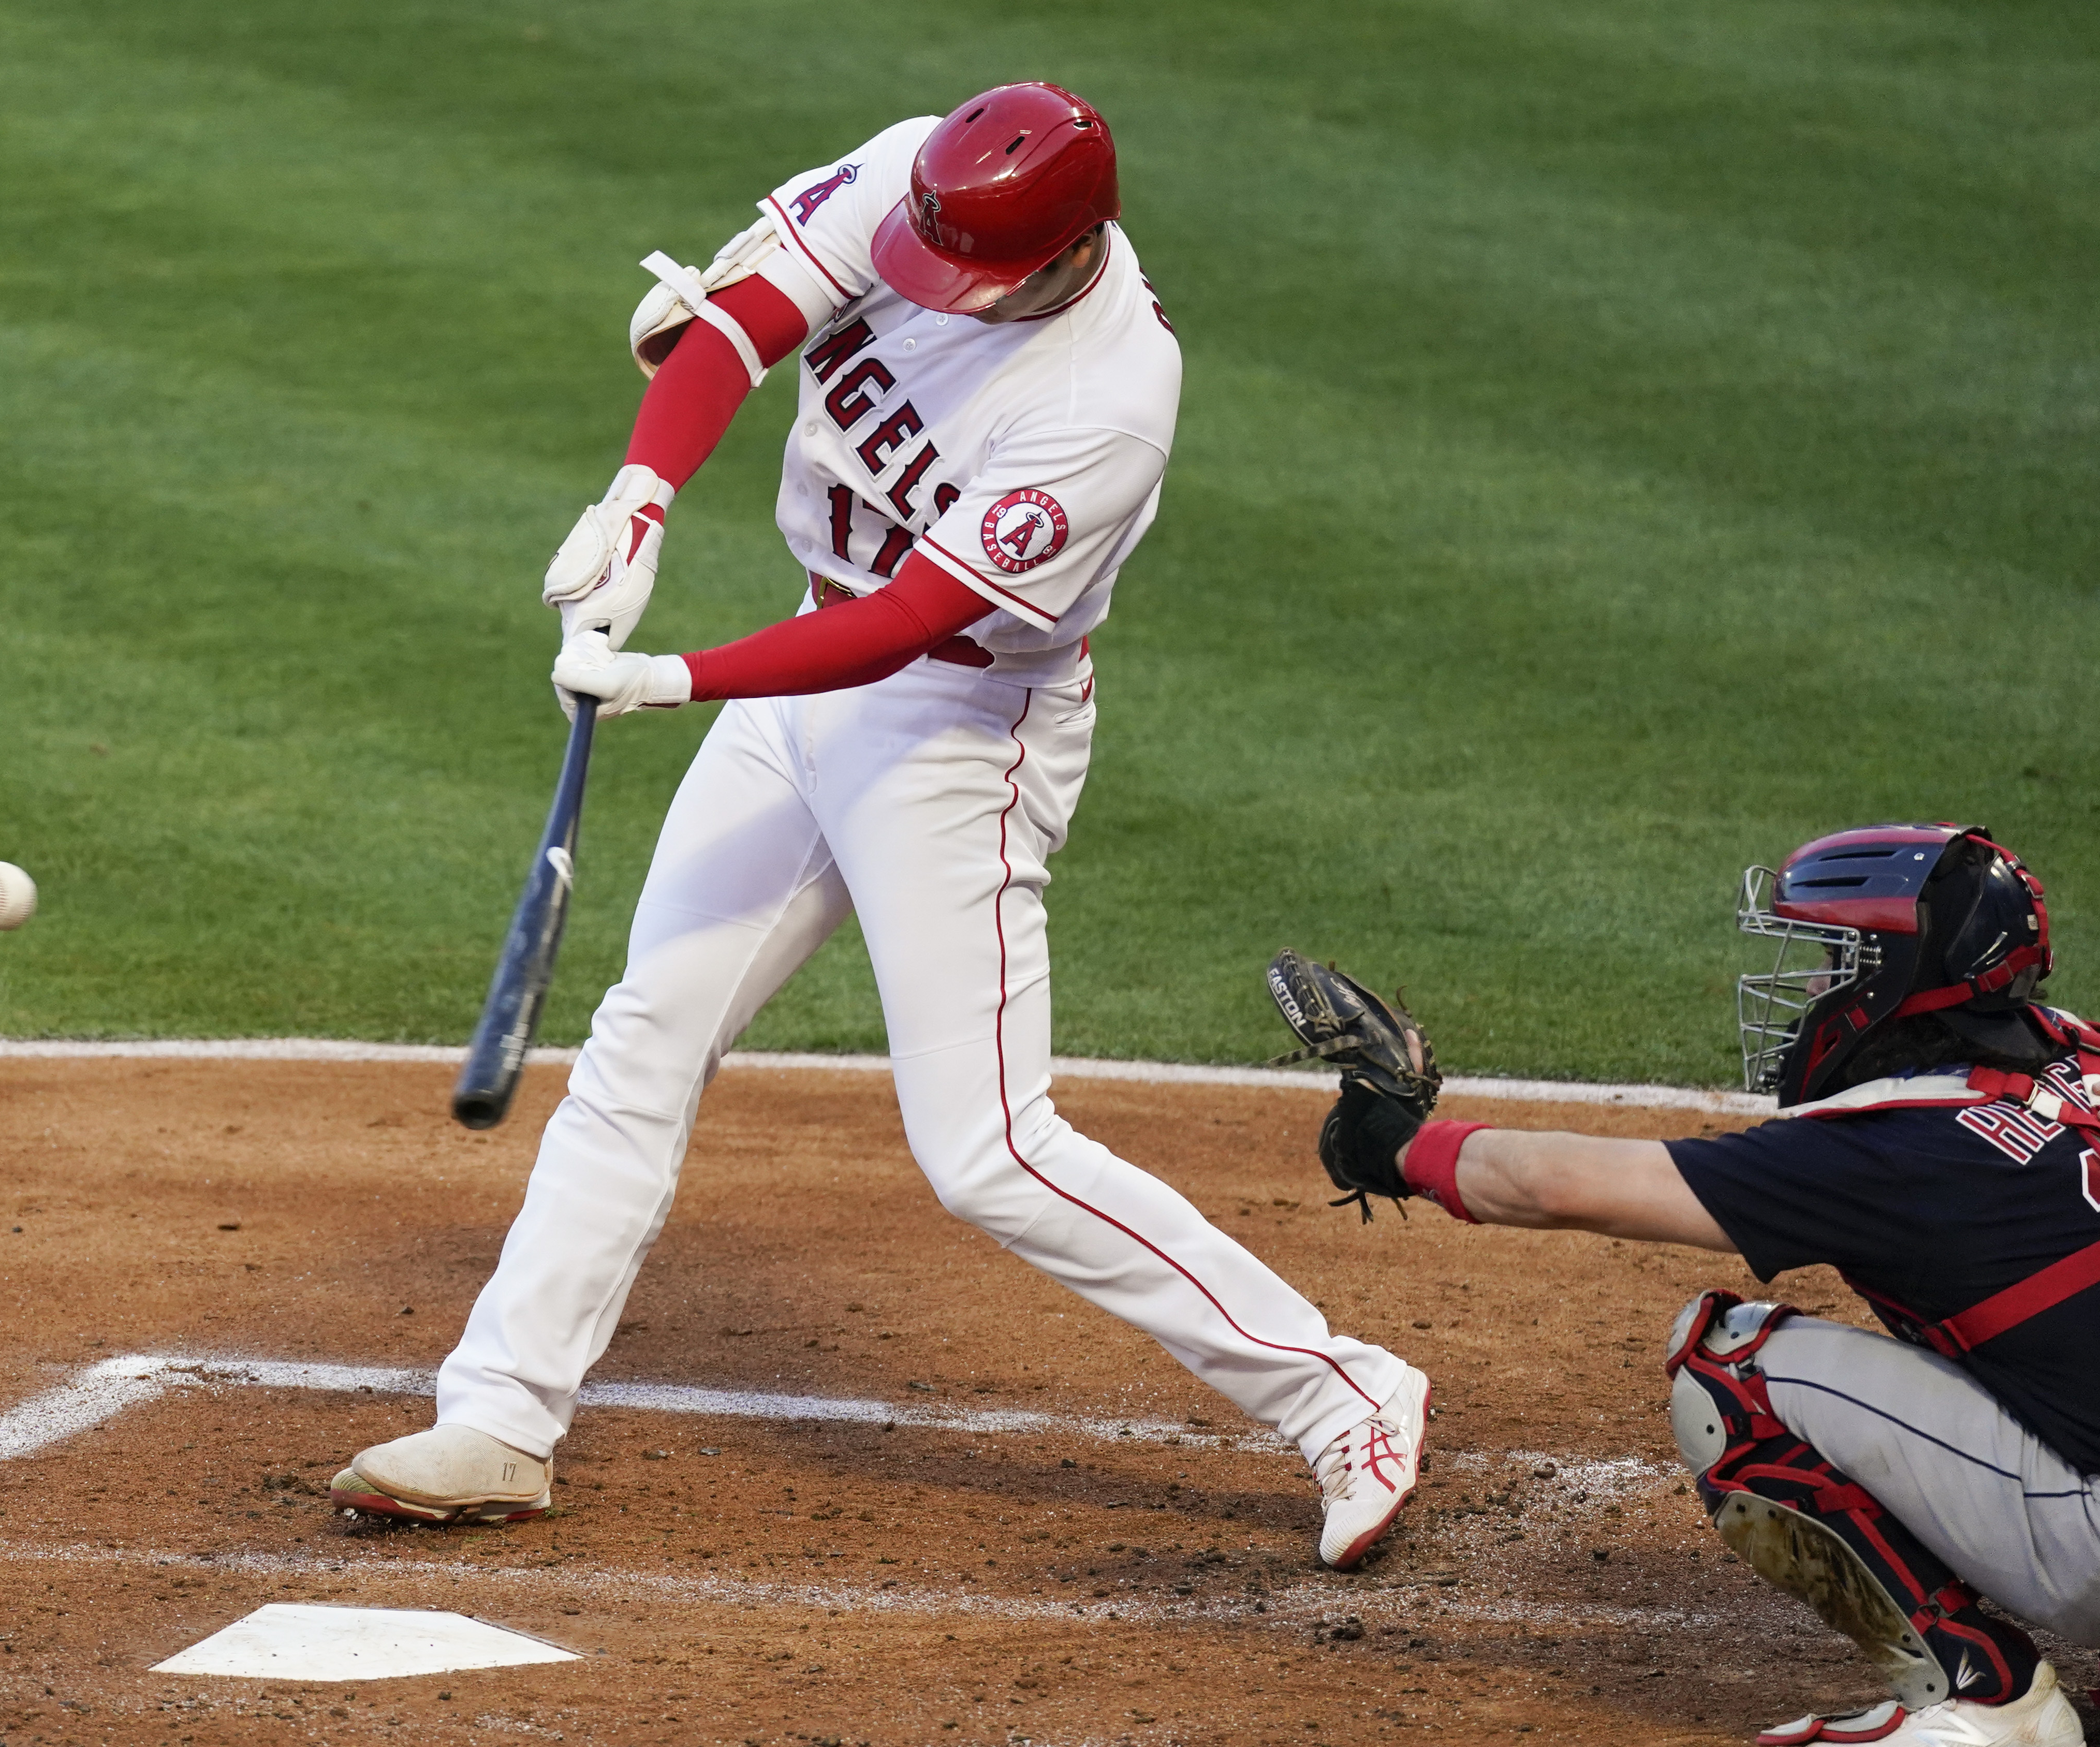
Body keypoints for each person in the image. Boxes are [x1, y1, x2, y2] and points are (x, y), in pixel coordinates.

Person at [329, 83, 1429, 1569]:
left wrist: (671, 678)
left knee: (985, 1150)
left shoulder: (1104, 402)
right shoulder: (932, 178)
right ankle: (503, 1419)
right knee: (648, 1030)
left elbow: (909, 624)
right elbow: (735, 322)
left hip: (954, 731)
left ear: (1064, 252)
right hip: (809, 662)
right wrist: (640, 498)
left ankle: (1340, 1389)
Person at [1303, 821, 2100, 1747]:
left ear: (1895, 975)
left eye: (1839, 960)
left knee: (1729, 1368)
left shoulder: (1890, 1140)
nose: (1815, 989)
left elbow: (1562, 1187)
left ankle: (1990, 1705)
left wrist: (1397, 1145)